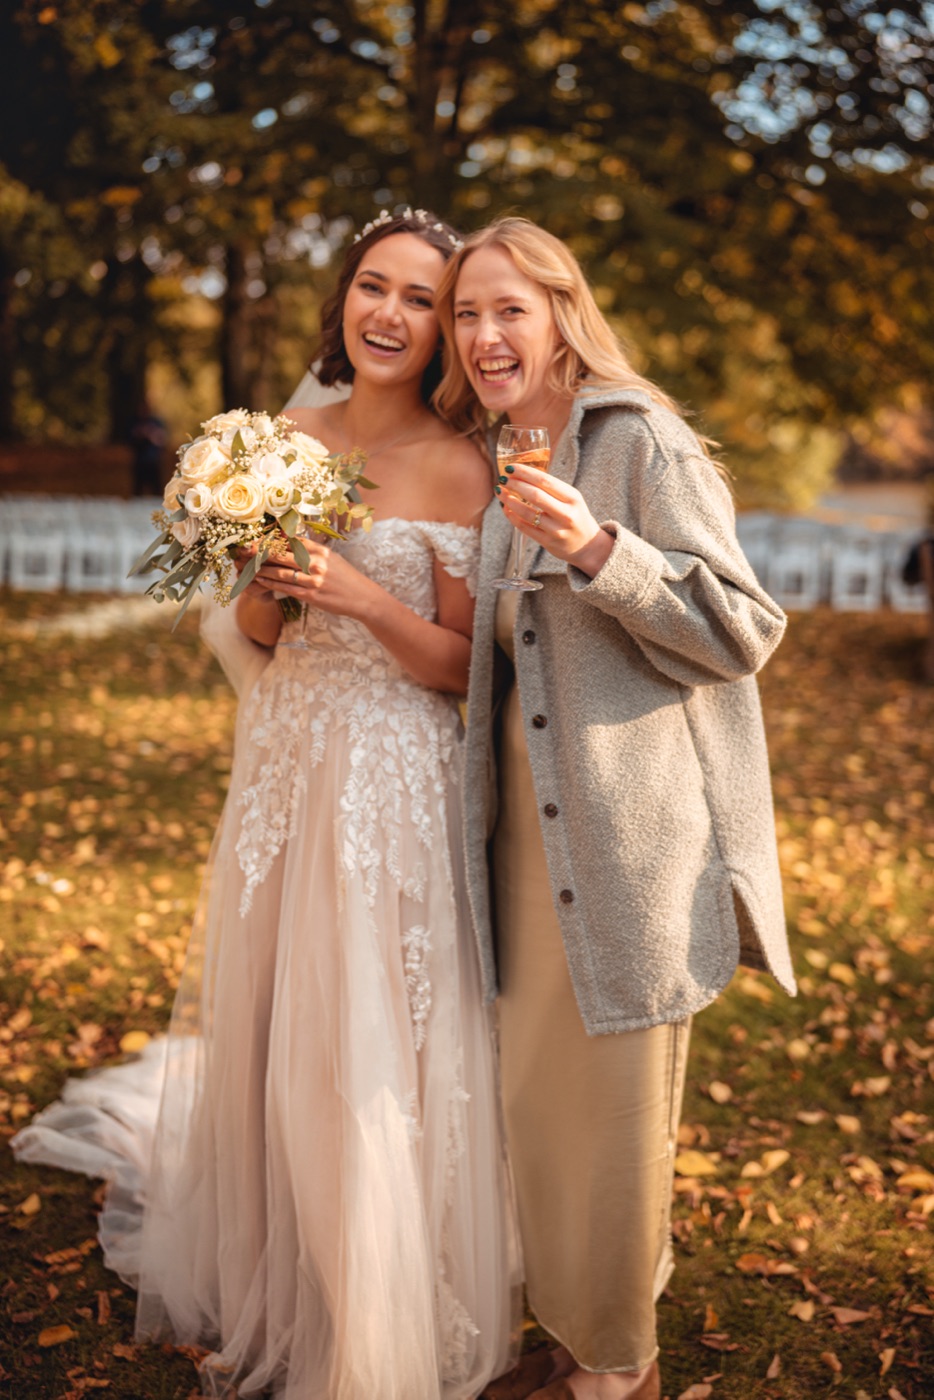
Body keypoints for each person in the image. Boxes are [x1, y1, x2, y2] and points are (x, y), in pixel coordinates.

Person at [13, 211, 518, 1400]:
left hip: (391, 768)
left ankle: (372, 1307)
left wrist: (358, 588)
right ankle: (271, 1262)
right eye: (371, 288)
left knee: (364, 1030)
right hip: (288, 752)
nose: (388, 315)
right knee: (272, 1013)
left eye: (418, 300)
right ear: (341, 300)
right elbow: (249, 628)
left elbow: (462, 668)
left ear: (444, 327)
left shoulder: (461, 462)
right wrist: (280, 574)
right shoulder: (277, 437)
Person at [433, 218, 797, 1400]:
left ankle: (618, 1371)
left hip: (627, 848)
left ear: (559, 312)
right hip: (520, 845)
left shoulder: (638, 438)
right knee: (538, 1101)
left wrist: (599, 548)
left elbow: (744, 630)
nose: (485, 335)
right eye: (466, 314)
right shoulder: (499, 451)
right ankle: (570, 1331)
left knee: (618, 1124)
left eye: (507, 310)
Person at [127, 397, 168, 497]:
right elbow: (129, 440)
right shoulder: (134, 422)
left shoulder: (156, 422)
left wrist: (151, 435)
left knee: (156, 491)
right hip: (139, 462)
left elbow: (162, 440)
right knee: (138, 491)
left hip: (153, 462)